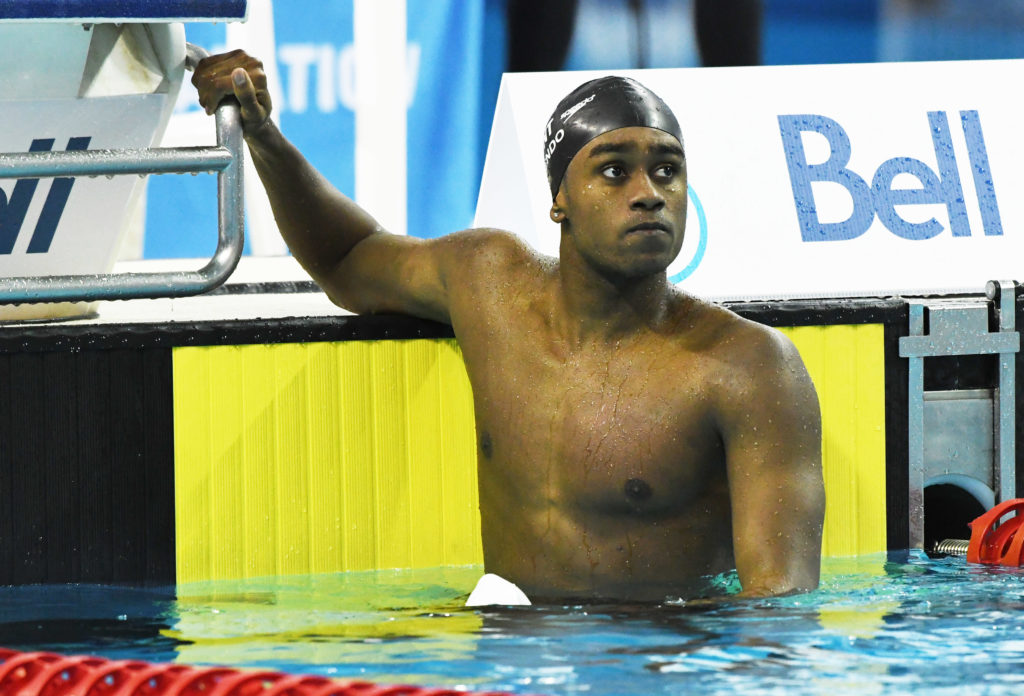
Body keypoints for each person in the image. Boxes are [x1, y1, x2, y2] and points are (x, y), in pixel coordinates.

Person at [192, 51, 825, 603]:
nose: (648, 193)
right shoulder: (489, 285)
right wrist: (262, 136)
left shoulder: (747, 365)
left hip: (650, 665)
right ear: (559, 201)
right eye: (613, 170)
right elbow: (347, 259)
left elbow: (778, 606)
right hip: (504, 650)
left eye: (666, 170)